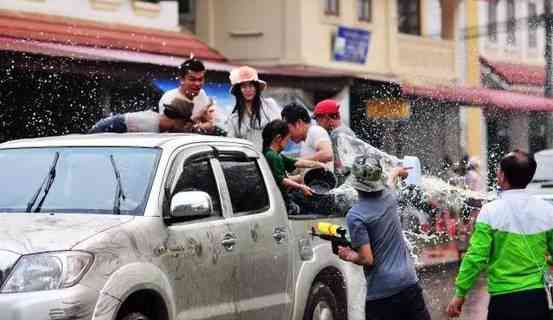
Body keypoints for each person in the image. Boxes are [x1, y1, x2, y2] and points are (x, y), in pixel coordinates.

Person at [447, 150, 553, 320]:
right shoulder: (547, 211)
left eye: (498, 170)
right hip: (537, 300)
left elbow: (476, 257)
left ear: (502, 176)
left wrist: (460, 293)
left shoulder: (490, 212)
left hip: (503, 302)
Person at [337, 155, 431, 320]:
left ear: (356, 184)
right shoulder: (390, 197)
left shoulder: (356, 215)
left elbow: (367, 259)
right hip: (409, 283)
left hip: (382, 294)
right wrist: (397, 171)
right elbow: (390, 181)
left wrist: (348, 255)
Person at [262, 120, 326, 214]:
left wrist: (318, 164)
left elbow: (297, 162)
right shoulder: (272, 156)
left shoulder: (276, 154)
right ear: (279, 138)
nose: (288, 143)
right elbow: (281, 180)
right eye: (287, 139)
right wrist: (301, 187)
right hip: (282, 200)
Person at [226, 66, 281, 151]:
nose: (248, 90)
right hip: (249, 161)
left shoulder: (269, 104)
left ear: (256, 87)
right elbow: (231, 144)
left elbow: (281, 131)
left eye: (251, 86)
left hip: (270, 157)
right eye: (244, 87)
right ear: (239, 90)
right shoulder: (233, 116)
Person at [158, 58, 213, 126]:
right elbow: (170, 131)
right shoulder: (170, 100)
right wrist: (198, 118)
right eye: (192, 79)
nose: (197, 84)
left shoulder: (202, 93)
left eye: (200, 79)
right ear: (181, 79)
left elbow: (209, 123)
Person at [89, 98, 194, 133]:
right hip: (106, 129)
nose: (184, 127)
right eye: (185, 123)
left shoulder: (158, 124)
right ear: (178, 120)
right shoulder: (151, 124)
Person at [313, 99, 356, 184]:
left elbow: (341, 165)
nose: (317, 123)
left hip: (345, 185)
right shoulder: (345, 130)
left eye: (318, 119)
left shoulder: (337, 134)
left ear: (327, 118)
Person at [280, 102, 333, 167]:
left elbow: (328, 154)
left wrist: (296, 161)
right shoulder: (305, 140)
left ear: (298, 123)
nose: (287, 133)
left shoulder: (315, 131)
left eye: (288, 128)